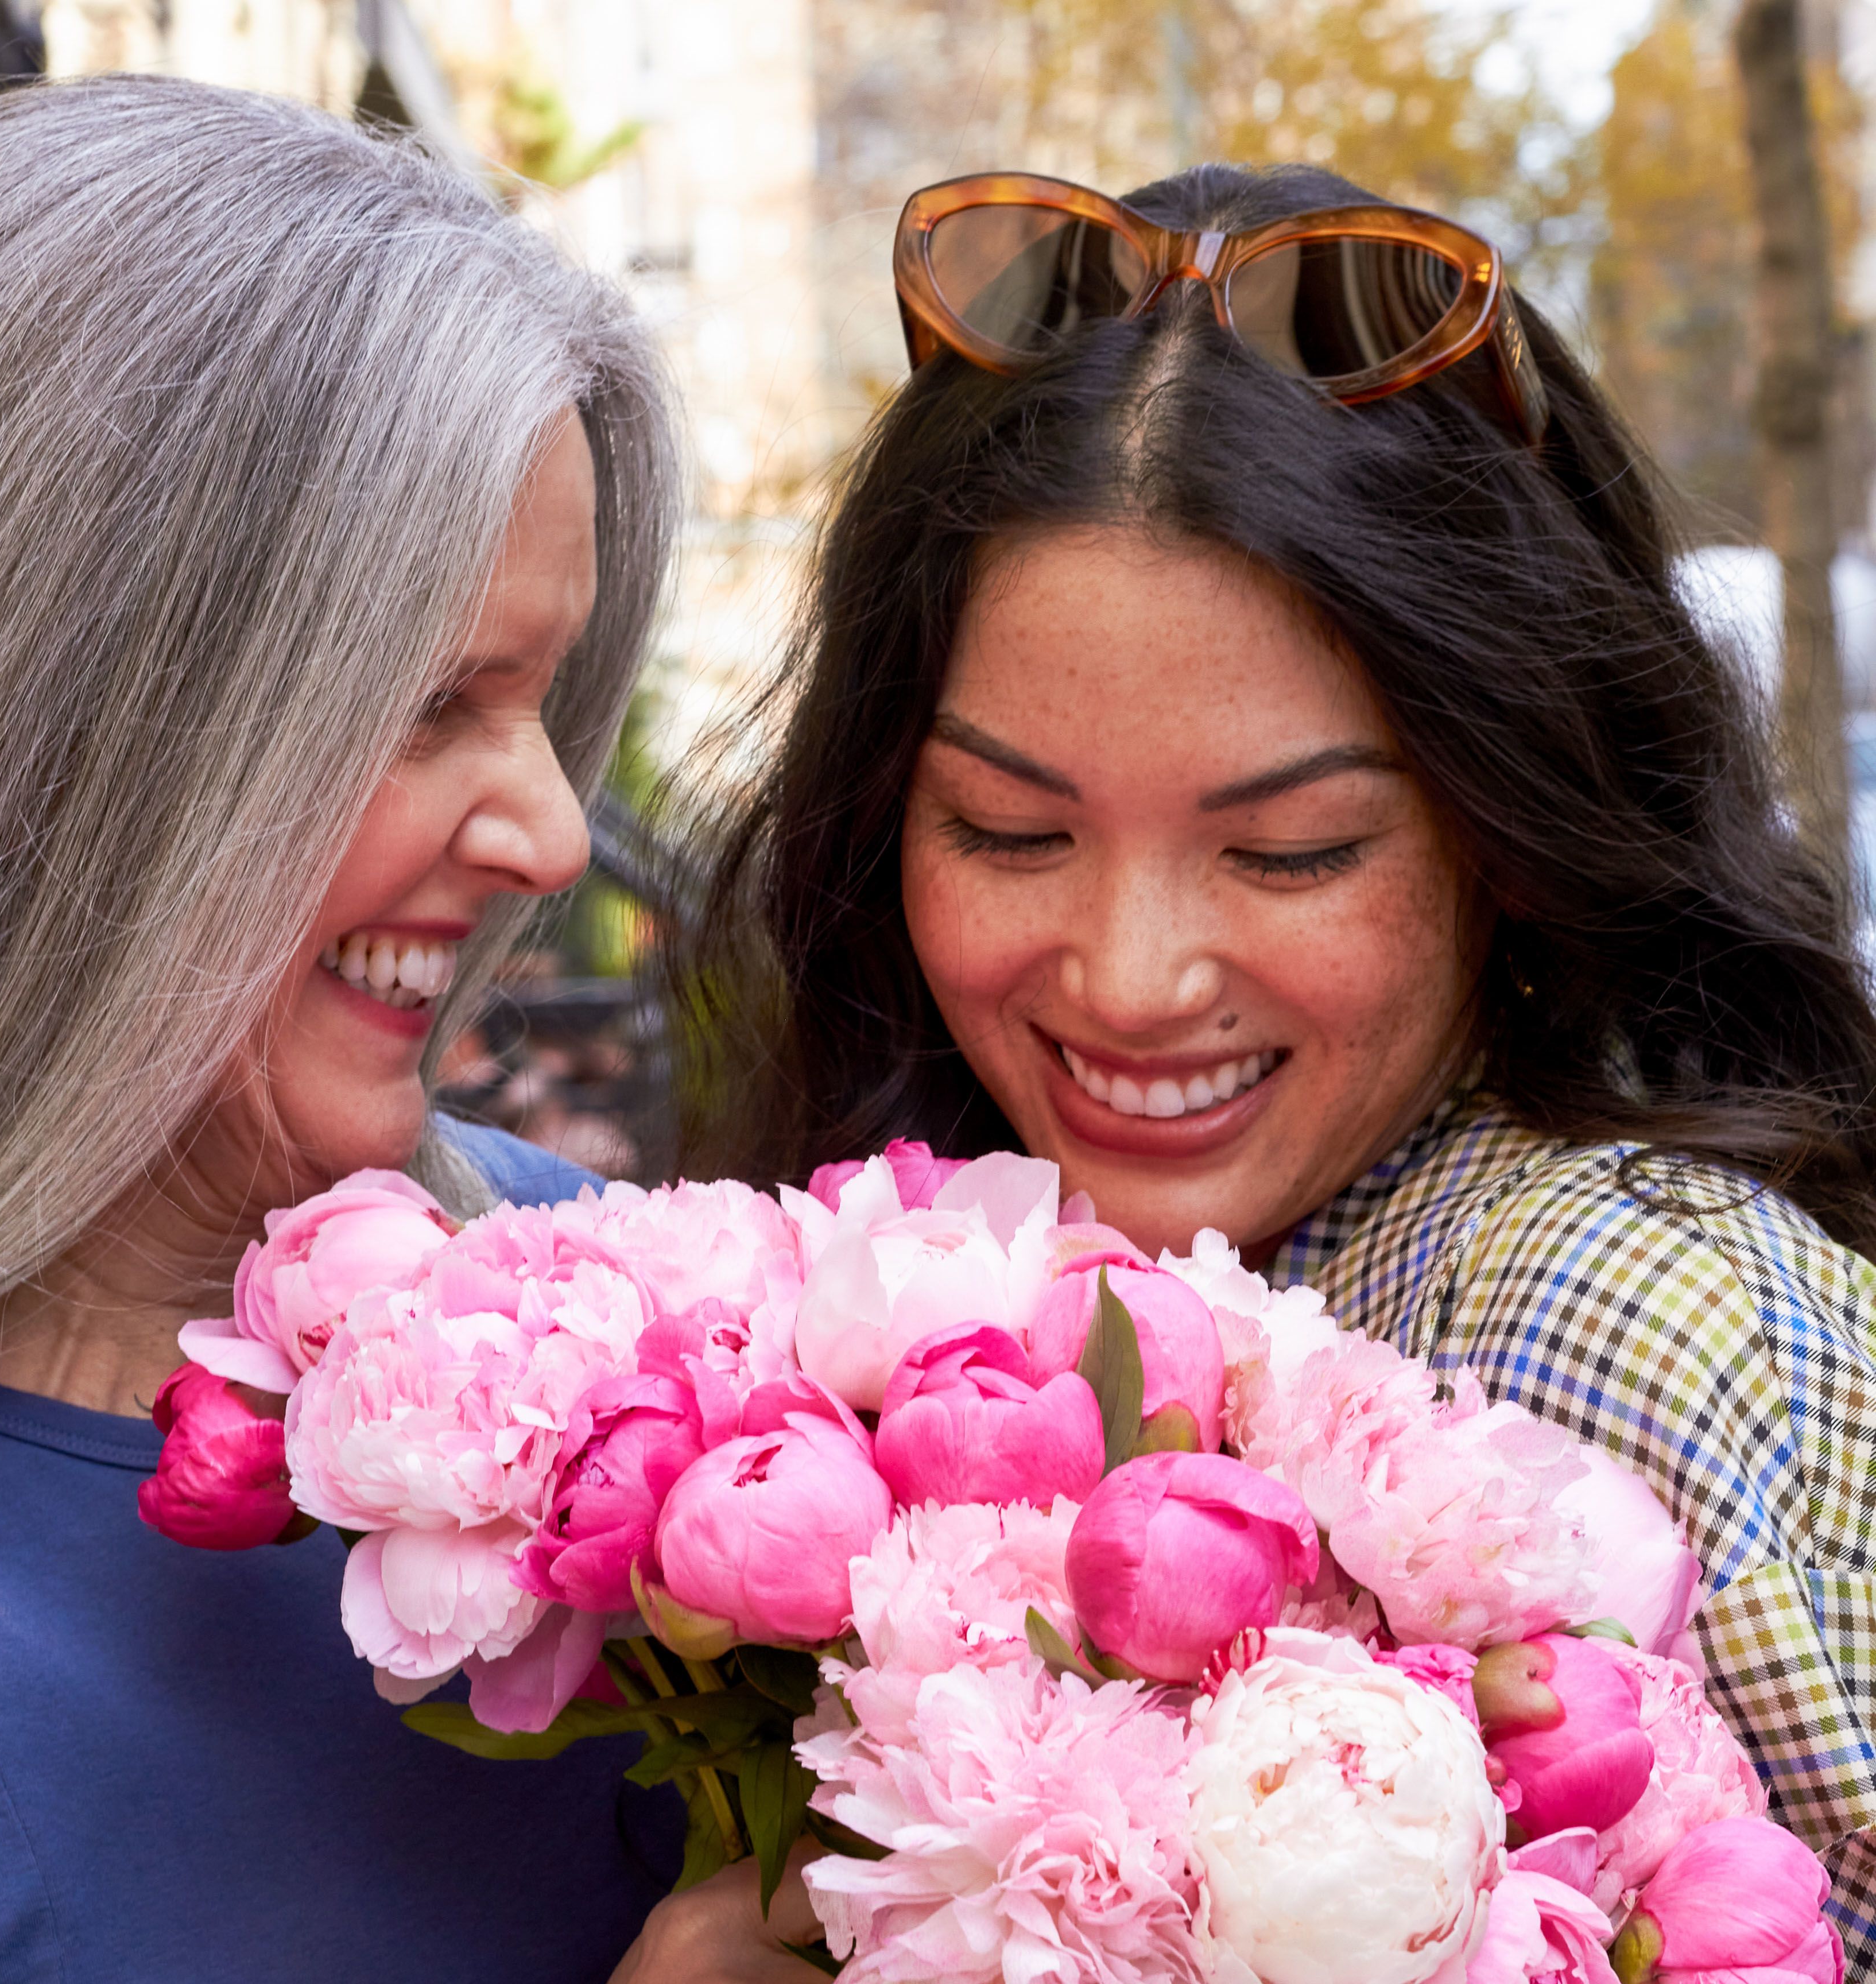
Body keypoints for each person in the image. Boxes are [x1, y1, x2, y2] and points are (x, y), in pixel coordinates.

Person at [660, 161, 1876, 1962]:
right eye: (1006, 830)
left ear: (1514, 821)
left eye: (1291, 851)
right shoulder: (921, 1300)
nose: (1134, 981)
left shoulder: (1601, 1328)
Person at [0, 73, 708, 1983]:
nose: (553, 837)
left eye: (545, 699)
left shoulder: (648, 1343)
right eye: (434, 702)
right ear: (47, 735)